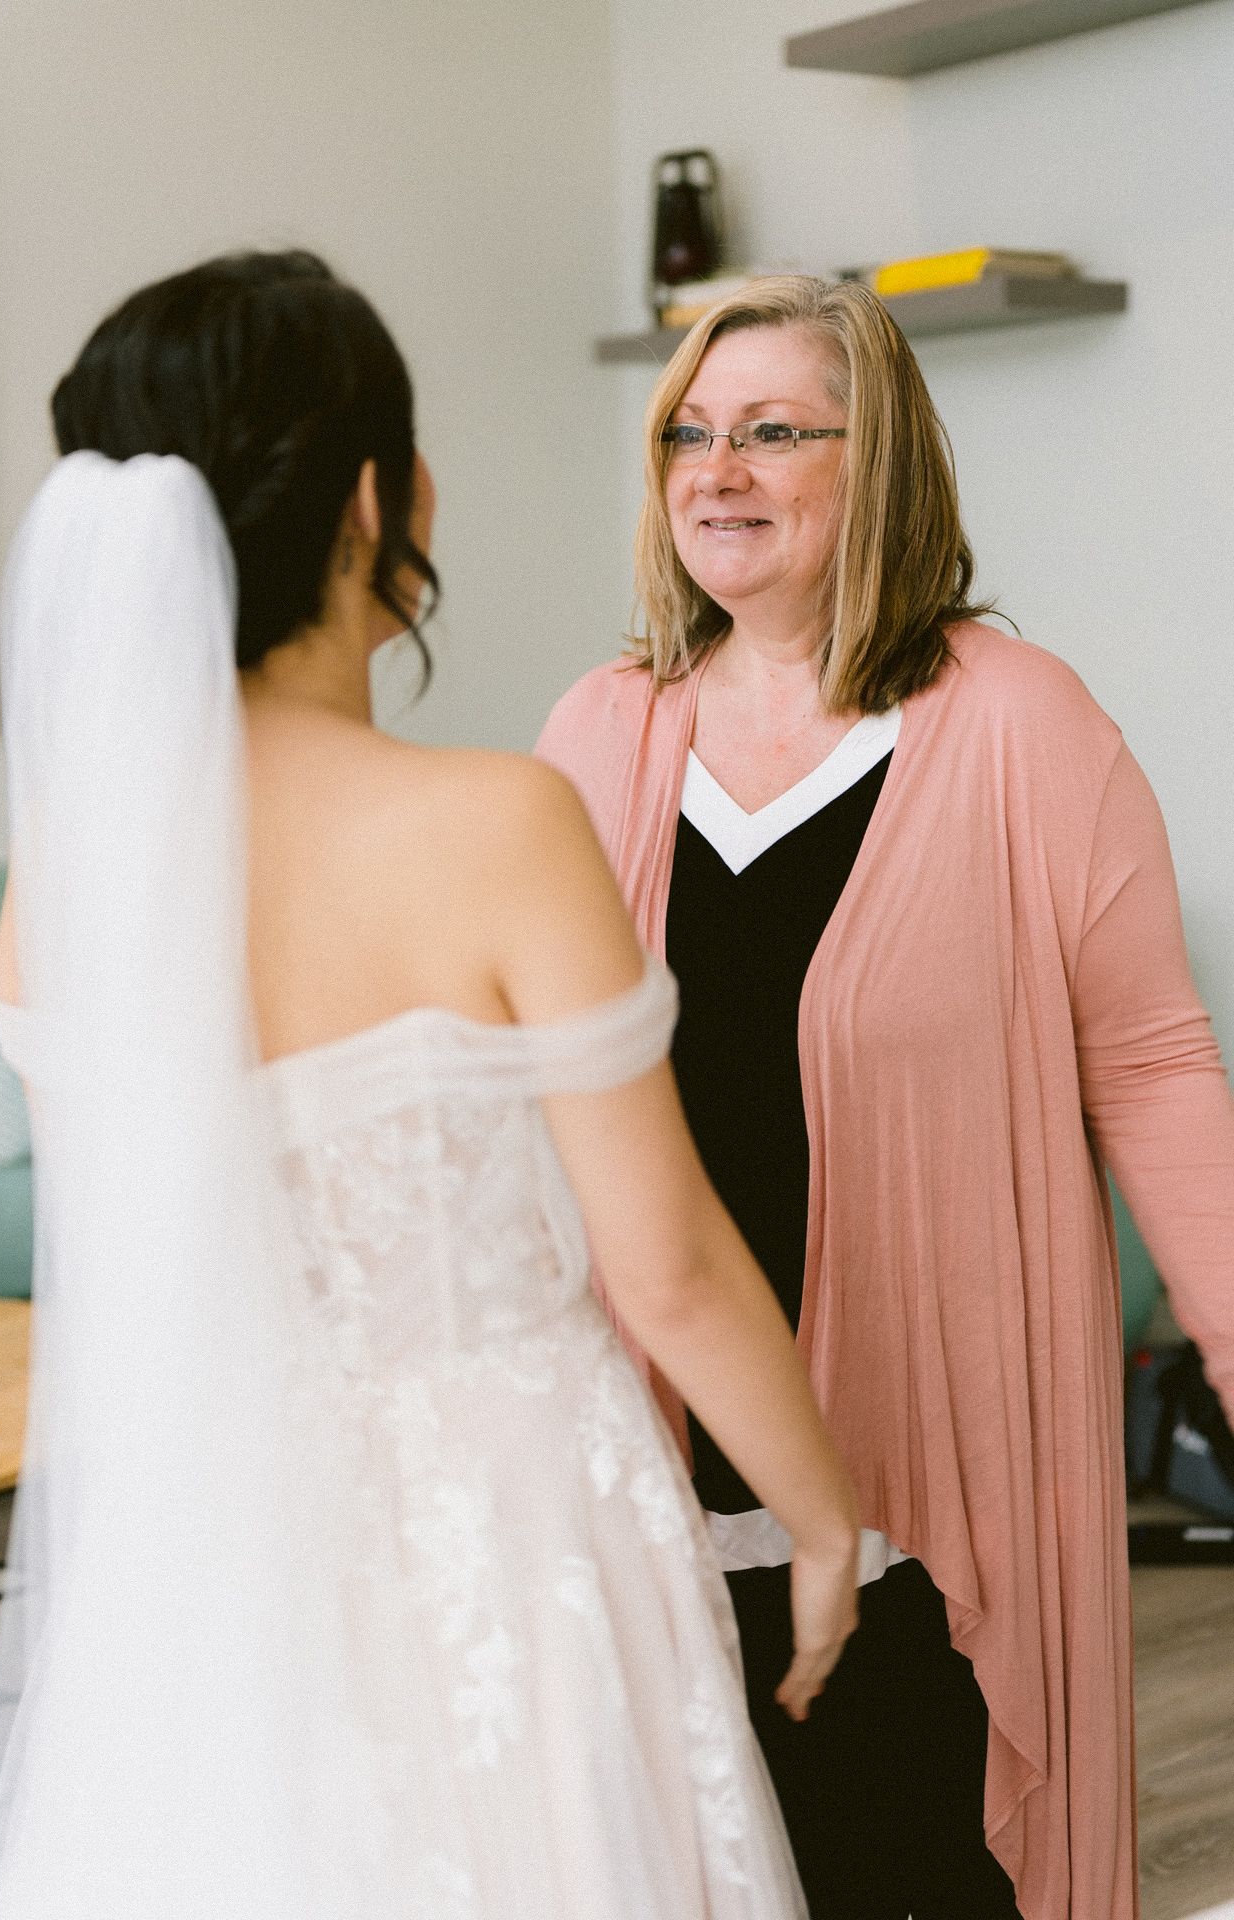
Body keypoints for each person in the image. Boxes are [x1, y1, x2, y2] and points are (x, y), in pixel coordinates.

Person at [0, 253, 860, 1920]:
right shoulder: (495, 823)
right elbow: (663, 1261)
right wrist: (822, 1520)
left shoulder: (61, 881)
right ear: (374, 497)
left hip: (212, 1538)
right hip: (511, 1532)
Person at [536, 273, 1234, 1920]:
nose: (717, 471)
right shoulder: (600, 729)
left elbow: (1148, 1063)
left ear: (885, 464)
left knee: (920, 1846)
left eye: (774, 431)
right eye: (686, 436)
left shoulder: (1022, 725)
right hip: (668, 1426)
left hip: (938, 1449)